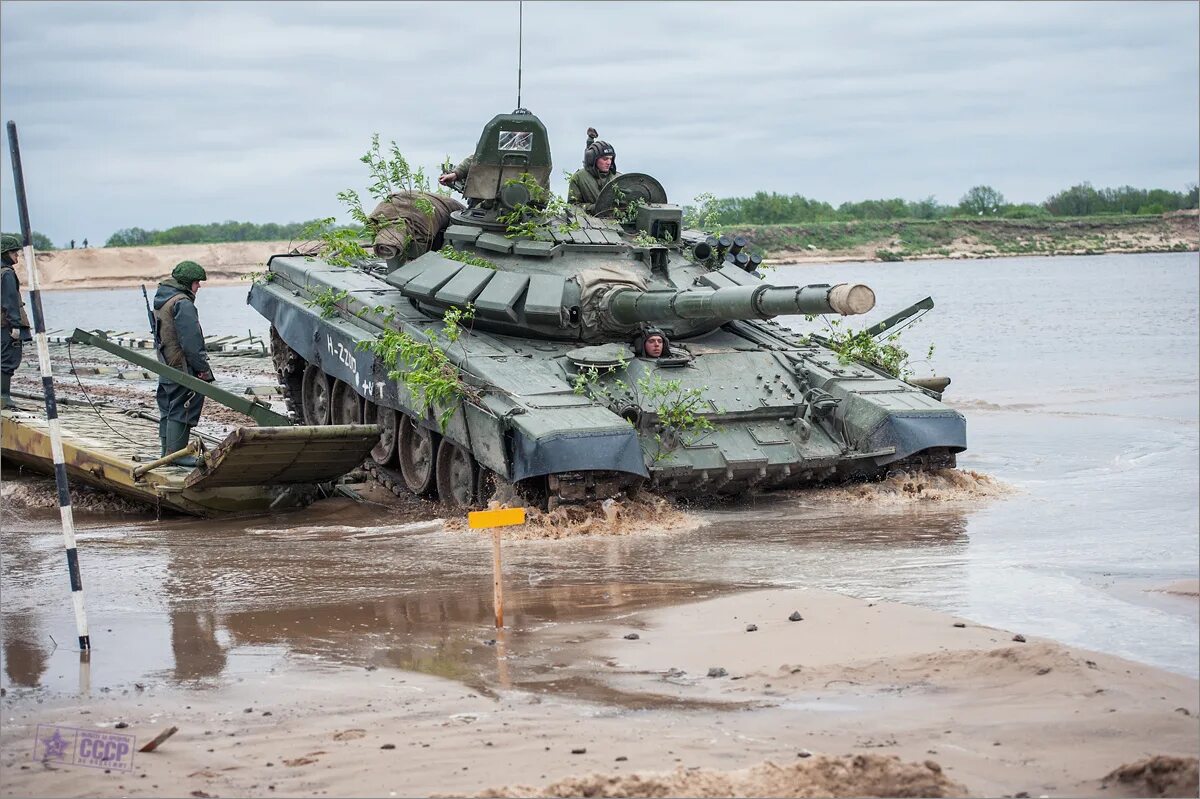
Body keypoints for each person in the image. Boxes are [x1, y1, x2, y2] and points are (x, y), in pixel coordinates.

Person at [153, 260, 214, 466]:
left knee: (167, 409)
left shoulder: (162, 299)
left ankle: (167, 453)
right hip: (181, 367)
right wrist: (203, 370)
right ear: (188, 283)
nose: (199, 287)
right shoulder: (183, 303)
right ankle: (177, 455)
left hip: (165, 364)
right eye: (197, 282)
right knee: (183, 407)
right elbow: (192, 341)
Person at [1, 233, 33, 410]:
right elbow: (9, 301)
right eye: (14, 252)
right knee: (8, 360)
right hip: (6, 325)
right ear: (5, 252)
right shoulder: (6, 274)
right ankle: (4, 397)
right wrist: (15, 325)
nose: (17, 256)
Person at [568, 129, 619, 209]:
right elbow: (572, 206)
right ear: (593, 159)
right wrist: (592, 208)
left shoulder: (618, 178)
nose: (609, 162)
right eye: (605, 159)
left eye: (611, 159)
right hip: (590, 219)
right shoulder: (580, 178)